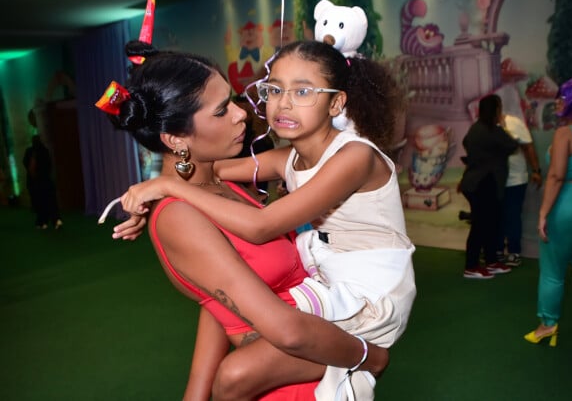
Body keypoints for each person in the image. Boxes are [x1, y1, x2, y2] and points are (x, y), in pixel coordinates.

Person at [119, 40, 416, 399]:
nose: (243, 113)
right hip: (300, 358)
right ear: (176, 138)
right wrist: (158, 191)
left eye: (303, 91)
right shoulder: (187, 210)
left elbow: (228, 277)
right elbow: (220, 299)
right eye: (221, 110)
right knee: (234, 375)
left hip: (347, 314)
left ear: (335, 102)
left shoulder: (223, 184)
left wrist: (164, 186)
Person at [524, 78, 572, 347]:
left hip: (566, 205)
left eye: (563, 97)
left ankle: (548, 325)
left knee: (552, 271)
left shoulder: (565, 133)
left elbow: (556, 175)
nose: (558, 101)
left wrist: (544, 212)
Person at [458, 94, 519, 279]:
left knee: (490, 224)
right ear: (495, 110)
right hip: (484, 183)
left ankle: (491, 261)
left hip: (476, 182)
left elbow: (466, 143)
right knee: (481, 225)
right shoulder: (492, 130)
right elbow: (512, 145)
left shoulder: (476, 128)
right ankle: (472, 266)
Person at [496, 112, 543, 267]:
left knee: (513, 216)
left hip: (515, 179)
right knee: (497, 216)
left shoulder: (514, 122)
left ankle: (514, 251)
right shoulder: (485, 125)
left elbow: (528, 147)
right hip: (494, 180)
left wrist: (536, 170)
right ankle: (497, 250)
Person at [22, 135, 63, 230]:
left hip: (41, 182)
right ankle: (48, 221)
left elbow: (45, 166)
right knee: (45, 202)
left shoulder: (39, 151)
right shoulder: (37, 151)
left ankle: (50, 221)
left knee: (45, 202)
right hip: (41, 182)